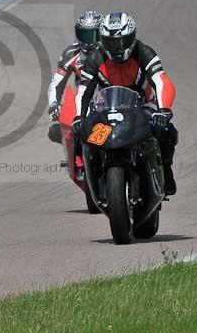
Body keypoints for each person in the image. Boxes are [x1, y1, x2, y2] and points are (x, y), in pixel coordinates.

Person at [73, 12, 178, 196]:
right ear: (103, 40)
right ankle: (91, 179)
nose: (117, 47)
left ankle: (166, 169)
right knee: (82, 134)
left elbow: (161, 81)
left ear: (133, 37)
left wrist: (164, 110)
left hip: (143, 106)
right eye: (112, 42)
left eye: (122, 41)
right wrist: (78, 117)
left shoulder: (144, 52)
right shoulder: (95, 58)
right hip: (108, 109)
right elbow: (83, 91)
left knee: (166, 130)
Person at [47, 10, 103, 143]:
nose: (89, 41)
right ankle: (75, 160)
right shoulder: (71, 54)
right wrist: (53, 104)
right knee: (57, 130)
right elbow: (56, 83)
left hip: (112, 100)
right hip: (84, 103)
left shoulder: (112, 53)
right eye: (84, 35)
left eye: (93, 35)